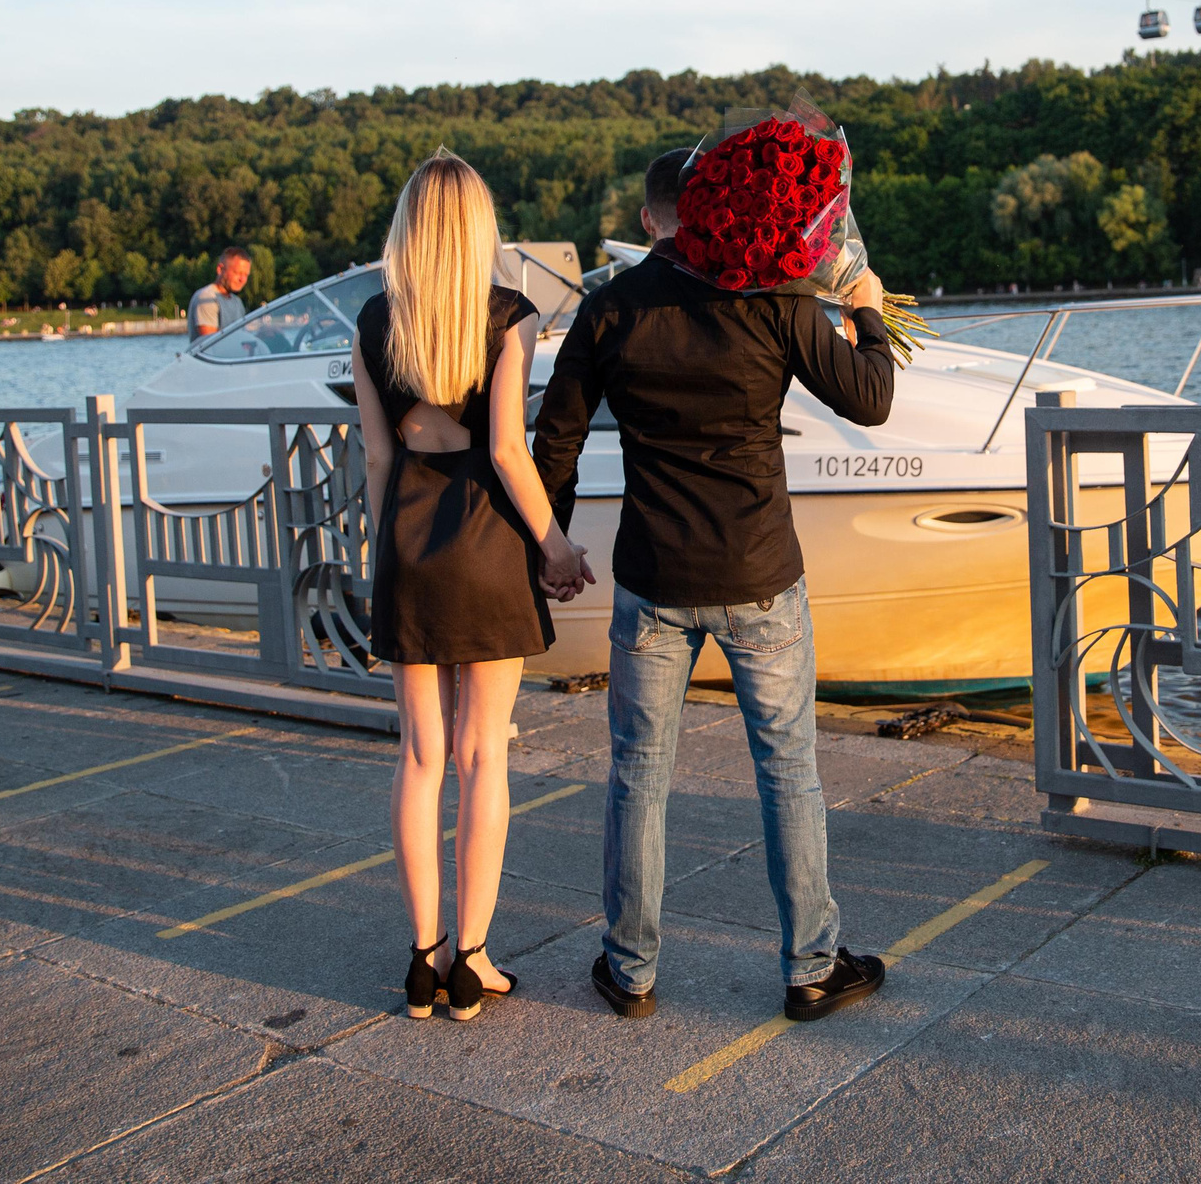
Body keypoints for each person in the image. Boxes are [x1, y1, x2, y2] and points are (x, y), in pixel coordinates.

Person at [532, 148, 895, 1023]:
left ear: (650, 218)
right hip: (759, 573)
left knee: (637, 773)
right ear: (720, 203)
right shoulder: (773, 299)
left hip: (652, 577)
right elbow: (871, 398)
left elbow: (557, 439)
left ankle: (630, 968)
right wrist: (867, 309)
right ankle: (811, 967)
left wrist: (551, 545)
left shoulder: (611, 307)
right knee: (788, 771)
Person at [351, 153, 592, 1023]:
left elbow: (379, 457)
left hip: (410, 543)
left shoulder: (375, 317)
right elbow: (505, 451)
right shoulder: (508, 316)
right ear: (478, 227)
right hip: (487, 544)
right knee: (484, 754)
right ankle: (474, 961)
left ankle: (424, 958)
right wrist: (556, 545)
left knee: (420, 757)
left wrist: (387, 555)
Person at [186, 248, 253, 339]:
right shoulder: (206, 298)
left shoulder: (237, 301)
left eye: (246, 275)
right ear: (220, 269)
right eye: (237, 273)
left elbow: (242, 338)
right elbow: (211, 342)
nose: (242, 279)